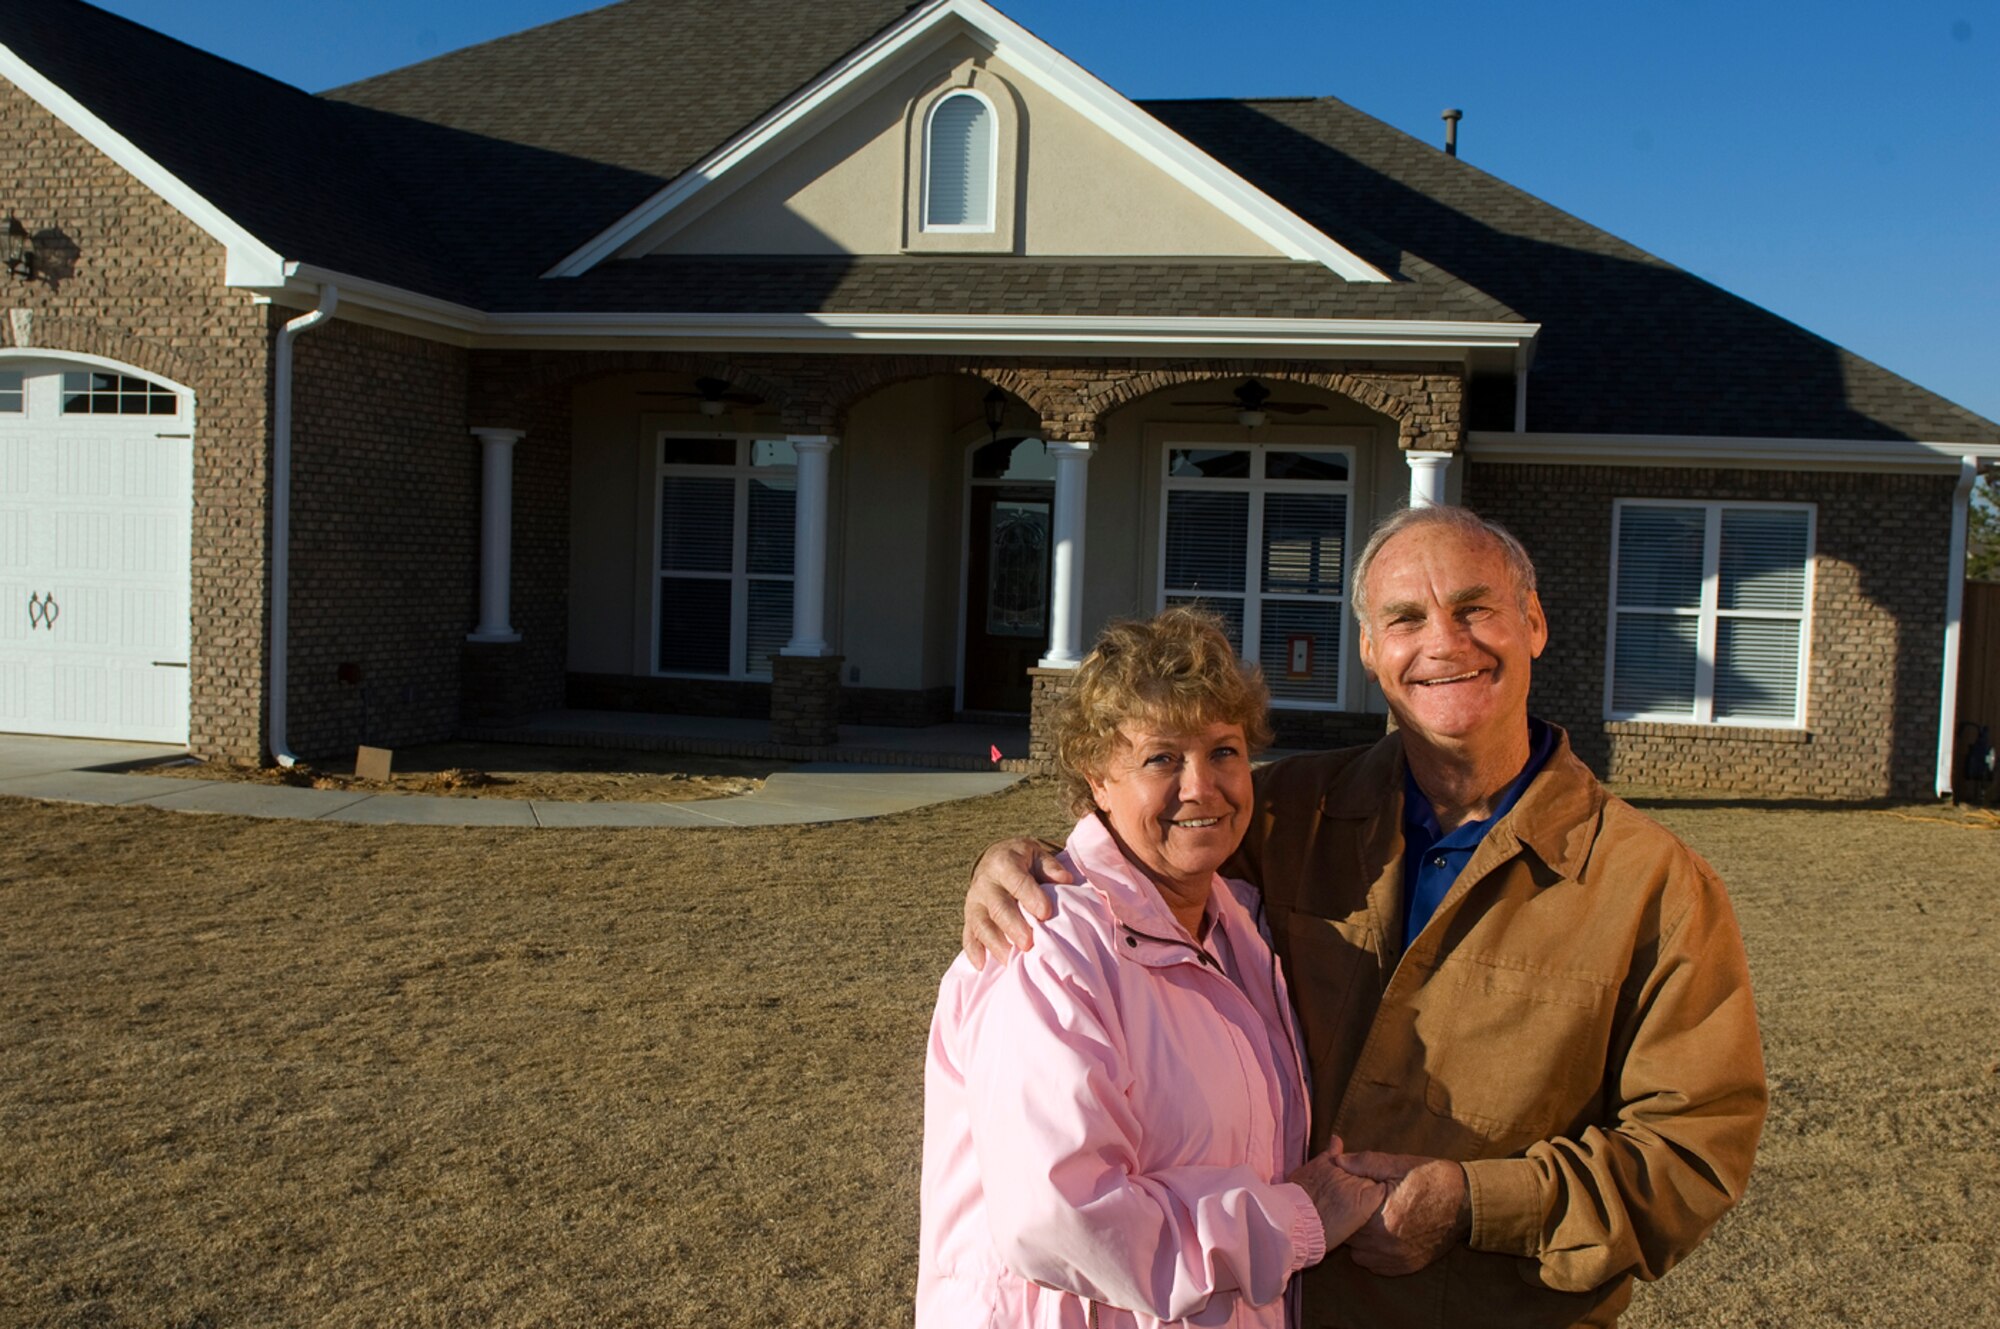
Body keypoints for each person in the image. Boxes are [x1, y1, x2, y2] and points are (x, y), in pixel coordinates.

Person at [963, 506, 1768, 1329]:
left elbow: (1693, 1148)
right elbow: (1145, 852)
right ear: (1371, 651)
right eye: (1406, 618)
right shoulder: (1284, 816)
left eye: (1474, 608)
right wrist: (1029, 861)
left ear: (1533, 623)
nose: (1444, 642)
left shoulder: (1654, 885)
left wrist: (1477, 1202)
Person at [918, 608, 1386, 1328]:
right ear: (1097, 780)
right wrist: (1294, 1220)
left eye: (1225, 751)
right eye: (1161, 758)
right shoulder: (1047, 946)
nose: (1203, 786)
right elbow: (1061, 1215)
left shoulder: (1240, 931)